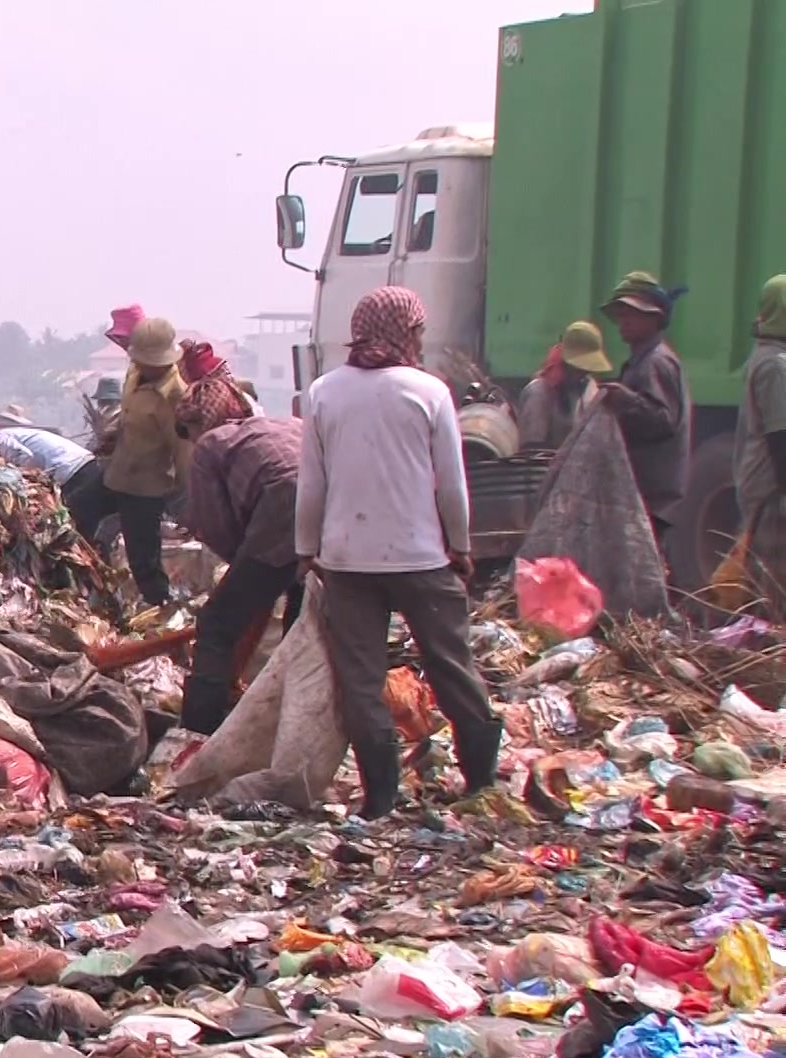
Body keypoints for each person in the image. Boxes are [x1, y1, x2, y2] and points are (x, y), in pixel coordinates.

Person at [295, 285, 501, 819]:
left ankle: (380, 798)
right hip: (421, 557)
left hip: (345, 561)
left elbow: (311, 485)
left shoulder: (323, 392)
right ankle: (481, 781)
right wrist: (460, 545)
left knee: (361, 682)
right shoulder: (429, 392)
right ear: (407, 333)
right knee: (451, 665)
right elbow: (450, 485)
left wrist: (306, 548)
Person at [176, 376, 303, 735]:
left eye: (191, 429)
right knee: (303, 624)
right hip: (336, 515)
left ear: (205, 421)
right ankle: (292, 721)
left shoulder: (211, 444)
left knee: (217, 624)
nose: (191, 439)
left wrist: (245, 567)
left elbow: (213, 524)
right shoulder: (286, 424)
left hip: (284, 511)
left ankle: (199, 733)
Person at [597, 271, 692, 553]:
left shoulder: (656, 362)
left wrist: (623, 399)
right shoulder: (641, 360)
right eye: (622, 313)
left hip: (654, 494)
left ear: (655, 318)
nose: (624, 321)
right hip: (644, 493)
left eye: (633, 314)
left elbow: (663, 421)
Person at [101, 315, 187, 606]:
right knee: (77, 512)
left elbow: (182, 450)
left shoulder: (175, 395)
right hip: (118, 472)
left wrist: (189, 500)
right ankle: (97, 587)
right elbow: (128, 417)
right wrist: (113, 434)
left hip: (147, 485)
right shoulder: (134, 374)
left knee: (143, 558)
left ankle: (162, 607)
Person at [734, 274, 786, 613]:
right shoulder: (776, 365)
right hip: (773, 494)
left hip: (767, 491)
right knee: (774, 590)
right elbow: (780, 438)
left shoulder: (769, 356)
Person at [0, 408, 114, 541]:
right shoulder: (23, 433)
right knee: (87, 525)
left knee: (70, 524)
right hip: (86, 466)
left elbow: (26, 458)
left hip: (72, 471)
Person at [516, 321, 610, 451]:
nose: (584, 372)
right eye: (580, 368)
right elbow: (531, 448)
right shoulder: (539, 392)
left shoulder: (586, 387)